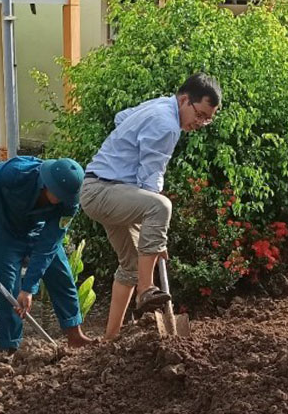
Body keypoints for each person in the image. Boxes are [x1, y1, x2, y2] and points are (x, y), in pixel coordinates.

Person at [80, 73, 222, 340]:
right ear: (184, 100)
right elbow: (151, 179)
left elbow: (121, 118)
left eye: (208, 119)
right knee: (161, 207)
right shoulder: (166, 124)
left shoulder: (158, 106)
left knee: (131, 264)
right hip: (103, 191)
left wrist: (154, 237)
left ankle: (110, 338)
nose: (201, 123)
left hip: (106, 188)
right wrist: (156, 235)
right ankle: (147, 289)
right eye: (200, 114)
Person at [0, 157, 94, 351]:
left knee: (61, 275)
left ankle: (75, 336)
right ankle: (10, 348)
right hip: (5, 232)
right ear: (47, 185)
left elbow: (49, 244)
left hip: (38, 231)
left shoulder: (69, 203)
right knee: (7, 288)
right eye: (59, 195)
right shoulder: (16, 171)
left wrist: (28, 289)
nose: (63, 201)